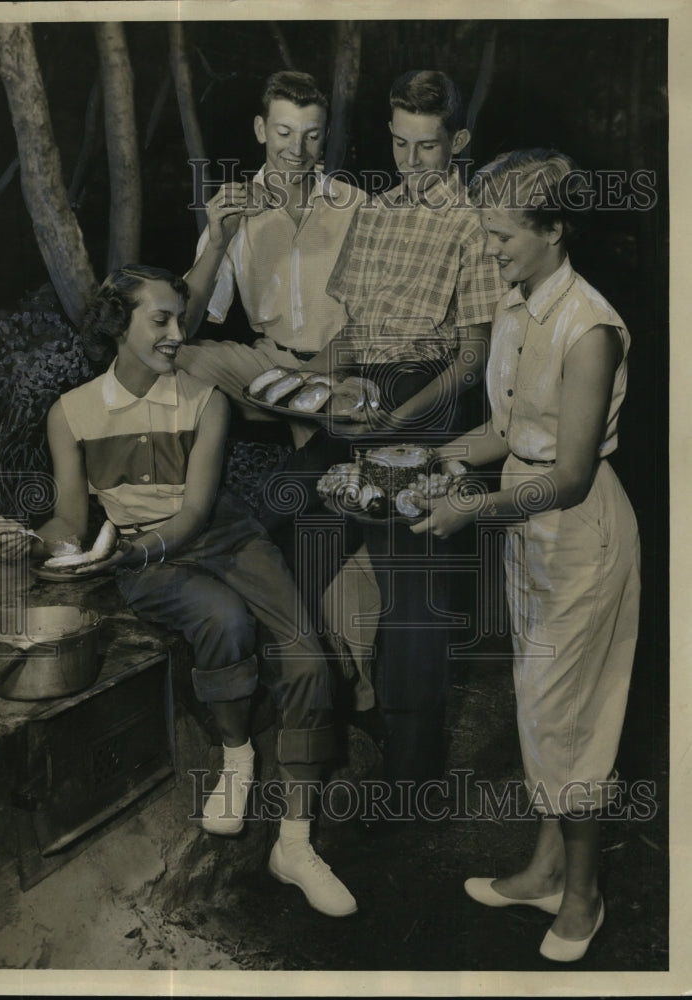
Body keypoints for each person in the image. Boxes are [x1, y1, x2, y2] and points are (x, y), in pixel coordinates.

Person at [0, 264, 357, 919]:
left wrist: (134, 548)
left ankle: (295, 846)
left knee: (307, 658)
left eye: (178, 319)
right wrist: (35, 539)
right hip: (144, 554)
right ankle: (237, 757)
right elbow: (71, 519)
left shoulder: (204, 400)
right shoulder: (70, 413)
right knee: (222, 621)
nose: (175, 333)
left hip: (222, 535)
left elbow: (193, 513)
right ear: (116, 325)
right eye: (159, 319)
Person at [410, 150, 640, 960]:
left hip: (579, 533)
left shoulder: (590, 329)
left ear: (552, 229)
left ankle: (584, 898)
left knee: (569, 717)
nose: (490, 248)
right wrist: (438, 458)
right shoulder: (515, 308)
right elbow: (509, 433)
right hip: (524, 521)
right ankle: (545, 871)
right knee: (540, 704)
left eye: (502, 234)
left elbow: (571, 475)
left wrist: (472, 505)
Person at [278, 70, 503, 806]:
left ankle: (411, 780)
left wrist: (400, 426)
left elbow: (471, 360)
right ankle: (335, 715)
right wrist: (309, 383)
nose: (411, 163)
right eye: (400, 145)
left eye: (427, 148)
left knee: (412, 596)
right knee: (294, 546)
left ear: (458, 142)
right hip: (357, 395)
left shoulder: (473, 224)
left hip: (423, 402)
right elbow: (351, 333)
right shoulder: (374, 212)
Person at [177, 70, 366, 449]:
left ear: (325, 136)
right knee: (172, 357)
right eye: (284, 133)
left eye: (311, 136)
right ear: (261, 130)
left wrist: (303, 381)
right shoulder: (235, 208)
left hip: (342, 364)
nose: (297, 149)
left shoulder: (359, 207)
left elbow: (374, 321)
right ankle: (281, 420)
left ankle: (299, 425)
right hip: (269, 362)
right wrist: (217, 244)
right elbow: (182, 325)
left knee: (326, 457)